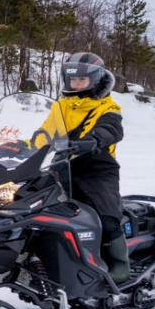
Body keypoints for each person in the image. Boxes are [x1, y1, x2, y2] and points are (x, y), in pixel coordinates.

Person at [31, 52, 129, 283]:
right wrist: (24, 146)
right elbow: (46, 132)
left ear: (95, 80)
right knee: (37, 207)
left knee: (105, 215)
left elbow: (112, 129)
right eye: (72, 80)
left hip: (97, 167)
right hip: (63, 165)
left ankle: (119, 265)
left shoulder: (108, 106)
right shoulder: (62, 105)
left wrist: (95, 139)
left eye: (81, 80)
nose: (76, 84)